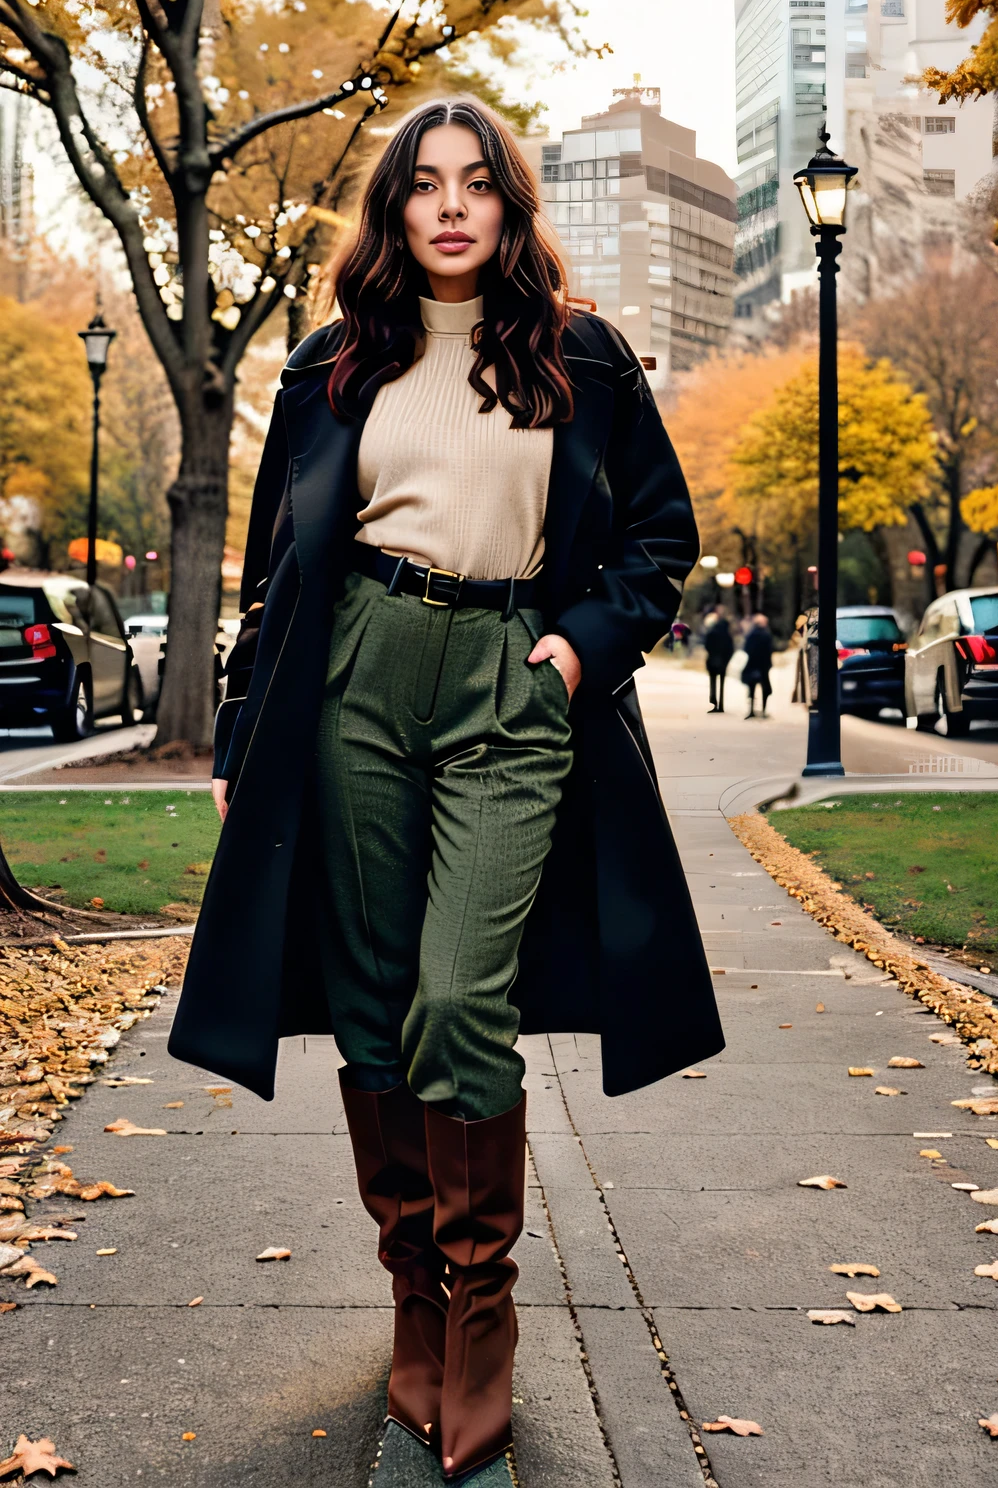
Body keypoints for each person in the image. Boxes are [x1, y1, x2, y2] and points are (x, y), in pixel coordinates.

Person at [168, 97, 723, 1486]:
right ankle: (413, 1291)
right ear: (396, 211)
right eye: (427, 186)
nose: (454, 206)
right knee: (367, 992)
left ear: (510, 206)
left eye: (479, 184)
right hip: (352, 672)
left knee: (459, 992)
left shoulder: (582, 356)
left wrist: (580, 648)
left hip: (508, 685)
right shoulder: (331, 364)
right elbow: (272, 570)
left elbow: (662, 531)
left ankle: (483, 1309)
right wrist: (243, 737)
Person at [743, 612, 774, 719]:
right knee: (765, 689)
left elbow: (746, 649)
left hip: (752, 664)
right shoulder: (766, 635)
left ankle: (751, 710)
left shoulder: (751, 634)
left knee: (751, 688)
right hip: (763, 666)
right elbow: (770, 650)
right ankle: (763, 711)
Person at [703, 605, 734, 713]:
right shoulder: (728, 634)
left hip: (712, 660)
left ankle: (714, 702)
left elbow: (707, 645)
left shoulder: (712, 631)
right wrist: (727, 659)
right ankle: (721, 704)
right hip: (723, 661)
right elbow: (731, 648)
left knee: (713, 682)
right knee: (722, 682)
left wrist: (711, 654)